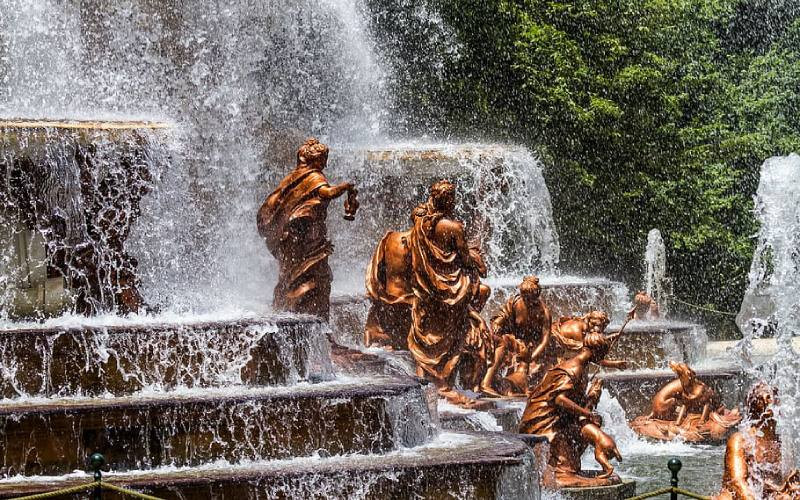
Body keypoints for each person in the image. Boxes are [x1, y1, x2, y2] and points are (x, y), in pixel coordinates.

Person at [406, 180, 488, 407]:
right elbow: (464, 258)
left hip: (425, 290)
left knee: (426, 337)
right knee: (449, 339)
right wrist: (477, 259)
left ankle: (423, 383)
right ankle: (444, 387)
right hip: (451, 292)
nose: (455, 202)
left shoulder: (421, 223)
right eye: (452, 198)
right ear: (449, 201)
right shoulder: (453, 228)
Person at [257, 138, 357, 320]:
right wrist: (346, 186)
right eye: (324, 158)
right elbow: (327, 193)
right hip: (305, 236)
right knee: (314, 277)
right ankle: (310, 319)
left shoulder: (293, 177)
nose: (326, 163)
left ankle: (287, 308)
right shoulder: (314, 177)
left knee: (291, 274)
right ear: (316, 160)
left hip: (292, 235)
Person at [519, 331, 623, 488]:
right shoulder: (573, 369)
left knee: (589, 428)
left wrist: (592, 397)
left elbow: (575, 401)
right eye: (601, 355)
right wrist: (587, 413)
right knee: (564, 472)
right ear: (594, 352)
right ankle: (563, 473)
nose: (602, 360)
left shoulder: (582, 366)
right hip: (544, 422)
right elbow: (559, 400)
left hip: (561, 419)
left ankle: (569, 466)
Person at [717, 383, 800, 500]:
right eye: (775, 399)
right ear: (763, 402)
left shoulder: (780, 443)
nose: (780, 406)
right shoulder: (740, 440)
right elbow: (738, 484)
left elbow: (785, 481)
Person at [480, 275, 552, 396]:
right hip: (515, 340)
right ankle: (487, 379)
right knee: (499, 341)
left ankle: (499, 384)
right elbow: (502, 315)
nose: (526, 300)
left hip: (533, 346)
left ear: (536, 295)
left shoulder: (544, 312)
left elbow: (545, 340)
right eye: (524, 296)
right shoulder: (515, 302)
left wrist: (531, 357)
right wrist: (498, 323)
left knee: (533, 371)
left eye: (529, 298)